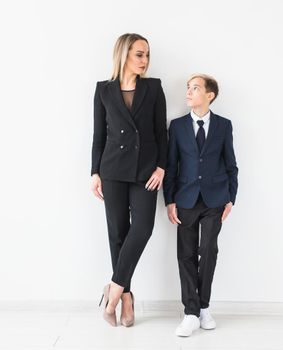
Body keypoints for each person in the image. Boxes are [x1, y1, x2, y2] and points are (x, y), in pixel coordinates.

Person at [91, 33, 167, 327]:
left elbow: (161, 132)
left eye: (147, 54)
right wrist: (94, 172)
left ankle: (114, 288)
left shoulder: (153, 87)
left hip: (146, 171)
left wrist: (161, 167)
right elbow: (98, 135)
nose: (145, 60)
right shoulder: (103, 90)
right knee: (118, 234)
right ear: (123, 54)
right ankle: (126, 298)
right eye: (139, 54)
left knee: (143, 228)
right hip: (112, 171)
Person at [163, 74, 238, 337]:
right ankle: (191, 312)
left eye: (195, 88)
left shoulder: (223, 126)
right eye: (187, 88)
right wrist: (169, 200)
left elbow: (231, 165)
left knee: (208, 250)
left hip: (215, 199)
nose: (189, 92)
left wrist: (231, 198)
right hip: (185, 199)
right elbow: (171, 166)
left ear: (210, 95)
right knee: (184, 254)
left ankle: (203, 306)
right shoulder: (178, 126)